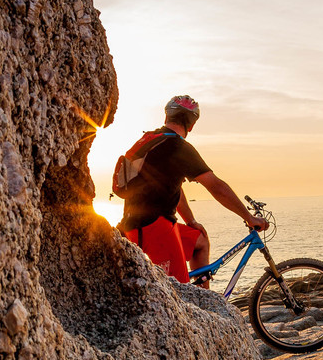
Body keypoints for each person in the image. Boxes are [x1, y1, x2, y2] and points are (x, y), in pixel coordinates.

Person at [112, 95, 268, 285]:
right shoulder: (178, 147)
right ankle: (193, 308)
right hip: (154, 230)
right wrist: (249, 218)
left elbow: (173, 187)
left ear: (166, 117)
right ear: (191, 125)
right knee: (178, 292)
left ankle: (203, 301)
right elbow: (216, 186)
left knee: (199, 241)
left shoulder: (149, 140)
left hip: (138, 225)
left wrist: (191, 221)